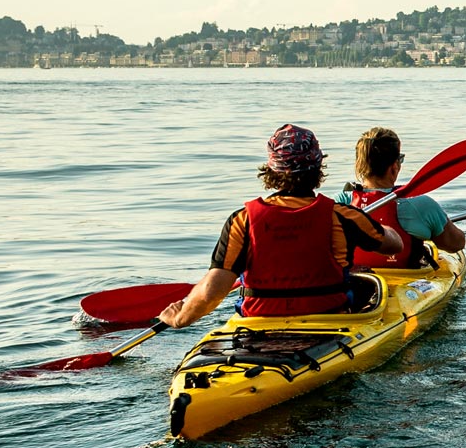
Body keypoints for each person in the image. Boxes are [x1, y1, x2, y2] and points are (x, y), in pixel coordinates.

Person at [157, 124, 409, 327]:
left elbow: (211, 292)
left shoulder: (242, 220)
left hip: (258, 323)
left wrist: (180, 317)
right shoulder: (342, 215)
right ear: (318, 167)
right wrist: (376, 224)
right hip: (330, 319)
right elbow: (393, 245)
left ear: (271, 170)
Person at [344, 127, 466, 269]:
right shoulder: (419, 204)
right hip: (406, 278)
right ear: (394, 167)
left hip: (354, 278)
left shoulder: (340, 202)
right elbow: (456, 244)